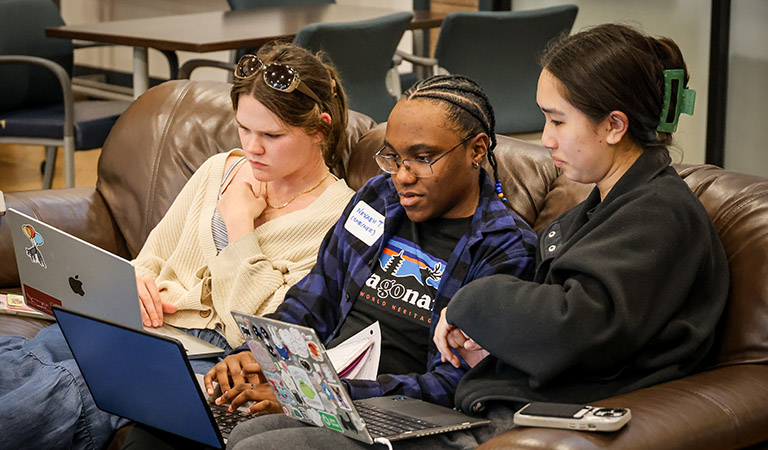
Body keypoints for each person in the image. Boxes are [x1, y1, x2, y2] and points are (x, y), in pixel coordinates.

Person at [0, 42, 355, 450]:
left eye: (271, 135)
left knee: (63, 391)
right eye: (244, 128)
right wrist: (134, 282)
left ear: (320, 129)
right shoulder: (218, 170)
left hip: (210, 354)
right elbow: (150, 257)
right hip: (142, 324)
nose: (252, 147)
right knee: (26, 360)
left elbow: (259, 331)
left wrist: (238, 225)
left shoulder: (339, 221)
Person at [187, 74, 539, 449]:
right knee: (190, 423)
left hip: (405, 416)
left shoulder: (505, 248)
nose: (403, 176)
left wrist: (315, 396)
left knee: (255, 445)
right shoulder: (379, 198)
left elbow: (455, 383)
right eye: (394, 158)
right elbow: (314, 299)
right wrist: (256, 354)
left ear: (477, 150)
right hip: (331, 392)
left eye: (422, 158)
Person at [424, 23, 728, 449]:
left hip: (559, 418)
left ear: (614, 125)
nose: (545, 139)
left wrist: (471, 302)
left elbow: (575, 325)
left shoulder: (661, 214)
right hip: (526, 404)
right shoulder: (610, 204)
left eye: (557, 120)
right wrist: (492, 341)